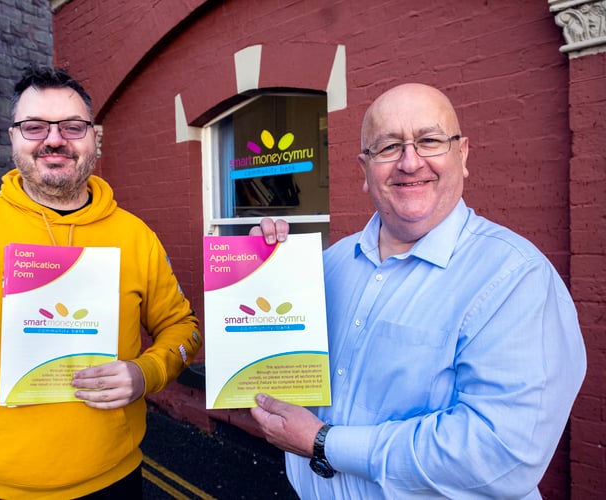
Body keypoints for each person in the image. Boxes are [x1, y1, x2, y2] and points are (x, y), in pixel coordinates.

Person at [249, 83, 586, 499]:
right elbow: (281, 369)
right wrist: (261, 269)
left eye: (429, 140)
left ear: (462, 156)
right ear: (365, 169)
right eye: (388, 146)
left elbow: (500, 452)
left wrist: (323, 443)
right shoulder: (329, 265)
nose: (410, 162)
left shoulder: (516, 277)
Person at [0, 65, 202, 499]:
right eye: (34, 126)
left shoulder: (135, 236)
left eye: (73, 127)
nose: (54, 139)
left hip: (115, 479)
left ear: (96, 138)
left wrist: (146, 372)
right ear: (13, 137)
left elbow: (183, 328)